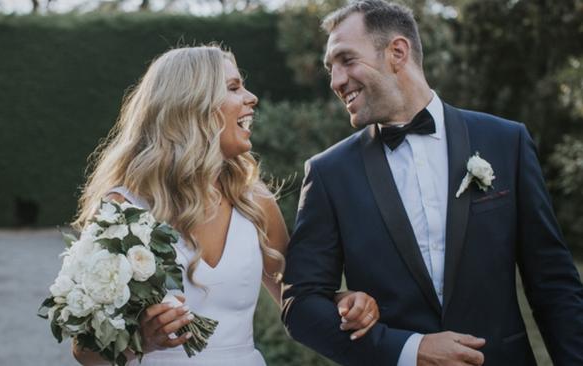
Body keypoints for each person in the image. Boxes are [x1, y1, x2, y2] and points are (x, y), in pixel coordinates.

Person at [281, 1, 583, 365]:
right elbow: (301, 305)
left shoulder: (506, 142)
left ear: (397, 52)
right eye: (330, 69)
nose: (335, 81)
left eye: (346, 60)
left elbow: (554, 285)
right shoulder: (329, 173)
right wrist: (409, 350)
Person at [70, 45, 380, 366]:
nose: (251, 97)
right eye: (233, 87)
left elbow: (299, 298)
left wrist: (344, 302)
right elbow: (85, 351)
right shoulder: (124, 207)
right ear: (191, 105)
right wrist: (141, 341)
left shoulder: (255, 200)